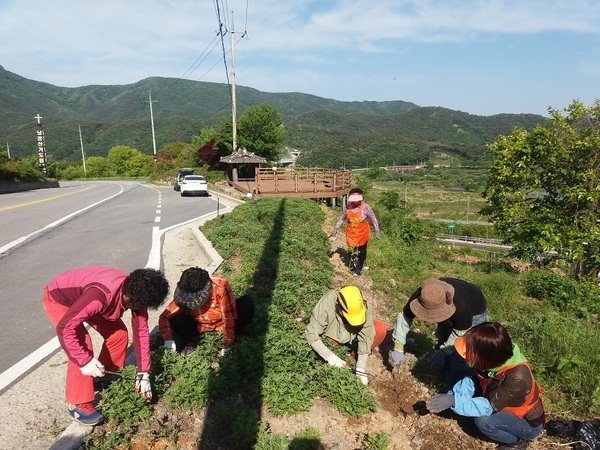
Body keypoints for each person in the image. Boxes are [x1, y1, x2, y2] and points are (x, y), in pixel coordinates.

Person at [42, 266, 170, 426]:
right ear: (130, 299)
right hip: (60, 299)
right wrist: (84, 362)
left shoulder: (138, 293)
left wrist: (144, 371)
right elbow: (65, 328)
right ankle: (78, 404)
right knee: (82, 343)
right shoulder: (100, 296)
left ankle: (103, 375)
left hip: (89, 299)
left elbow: (141, 332)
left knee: (119, 334)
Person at [425, 322, 545, 450]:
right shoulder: (494, 356)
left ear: (486, 357)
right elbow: (471, 379)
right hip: (497, 401)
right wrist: (454, 396)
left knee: (483, 421)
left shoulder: (517, 377)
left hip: (525, 422)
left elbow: (488, 406)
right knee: (462, 371)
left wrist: (455, 402)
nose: (471, 359)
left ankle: (515, 443)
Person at [389, 277, 487, 386]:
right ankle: (441, 372)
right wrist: (398, 346)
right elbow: (405, 316)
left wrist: (443, 352)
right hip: (452, 305)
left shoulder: (462, 307)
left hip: (474, 311)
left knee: (462, 351)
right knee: (442, 338)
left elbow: (460, 332)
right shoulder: (425, 295)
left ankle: (458, 382)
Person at [158, 266, 254, 356]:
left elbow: (228, 315)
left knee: (246, 303)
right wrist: (168, 339)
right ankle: (193, 340)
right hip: (197, 327)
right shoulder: (183, 295)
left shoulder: (220, 285)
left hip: (220, 322)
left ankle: (235, 334)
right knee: (177, 320)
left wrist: (227, 343)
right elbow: (165, 316)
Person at [305, 285, 387, 385]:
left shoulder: (363, 307)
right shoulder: (328, 303)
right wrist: (331, 357)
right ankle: (339, 357)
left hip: (352, 338)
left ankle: (353, 356)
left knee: (379, 329)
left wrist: (361, 369)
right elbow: (311, 333)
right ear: (339, 308)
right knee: (331, 345)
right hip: (332, 338)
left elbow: (366, 336)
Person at [329, 187, 380, 276]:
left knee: (362, 251)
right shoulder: (347, 207)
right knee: (351, 250)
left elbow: (373, 218)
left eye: (357, 200)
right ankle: (354, 266)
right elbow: (342, 219)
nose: (355, 202)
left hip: (362, 232)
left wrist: (377, 230)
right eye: (354, 201)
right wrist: (335, 229)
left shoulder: (366, 207)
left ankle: (358, 268)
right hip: (351, 231)